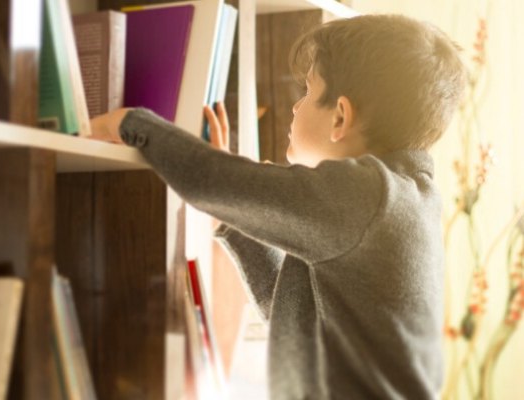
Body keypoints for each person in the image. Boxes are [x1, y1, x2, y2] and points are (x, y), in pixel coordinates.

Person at [90, 14, 466, 400]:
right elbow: (291, 314)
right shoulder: (406, 199)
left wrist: (132, 123)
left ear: (340, 116)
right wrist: (229, 220)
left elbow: (211, 182)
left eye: (306, 91)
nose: (294, 107)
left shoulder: (367, 195)